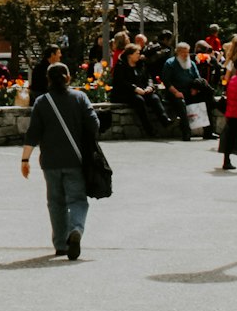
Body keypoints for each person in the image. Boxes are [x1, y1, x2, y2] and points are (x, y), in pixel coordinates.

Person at [21, 63, 99, 260]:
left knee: (55, 203)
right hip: (75, 159)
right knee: (78, 200)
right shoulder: (80, 97)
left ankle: (60, 244)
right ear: (68, 78)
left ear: (48, 79)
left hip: (50, 162)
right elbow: (94, 124)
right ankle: (76, 231)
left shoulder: (41, 102)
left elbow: (33, 133)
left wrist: (25, 159)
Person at [111, 43, 171, 137]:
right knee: (139, 100)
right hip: (125, 93)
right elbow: (121, 82)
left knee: (154, 98)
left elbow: (149, 78)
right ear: (130, 55)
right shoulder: (121, 65)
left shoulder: (141, 64)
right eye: (137, 53)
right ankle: (148, 129)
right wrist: (135, 89)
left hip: (142, 90)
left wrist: (150, 87)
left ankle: (165, 120)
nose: (139, 55)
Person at [161, 42, 217, 140]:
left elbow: (197, 78)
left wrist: (195, 89)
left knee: (205, 100)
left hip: (191, 91)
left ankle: (209, 132)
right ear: (177, 52)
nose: (186, 55)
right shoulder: (170, 63)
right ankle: (186, 132)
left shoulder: (191, 63)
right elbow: (166, 81)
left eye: (187, 52)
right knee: (181, 104)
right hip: (175, 92)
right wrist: (176, 92)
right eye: (183, 53)